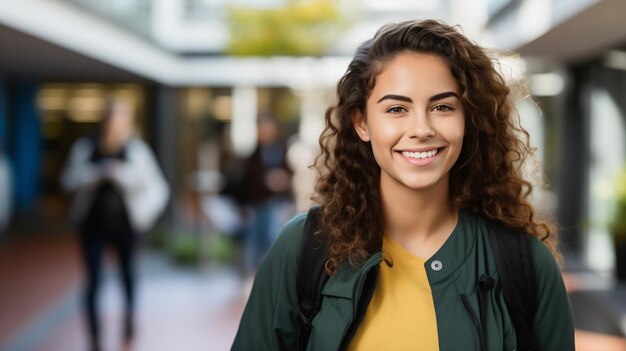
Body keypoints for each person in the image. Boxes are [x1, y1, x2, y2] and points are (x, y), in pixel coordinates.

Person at [232, 19, 575, 351]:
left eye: (442, 106)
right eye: (397, 109)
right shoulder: (305, 248)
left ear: (467, 119)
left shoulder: (525, 263)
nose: (421, 128)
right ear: (362, 123)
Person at [61, 98, 169, 351]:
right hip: (93, 225)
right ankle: (95, 336)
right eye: (113, 120)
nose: (116, 126)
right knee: (93, 281)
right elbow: (68, 180)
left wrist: (124, 176)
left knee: (128, 276)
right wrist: (93, 175)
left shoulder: (137, 151)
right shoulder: (86, 148)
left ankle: (129, 319)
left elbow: (157, 187)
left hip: (125, 225)